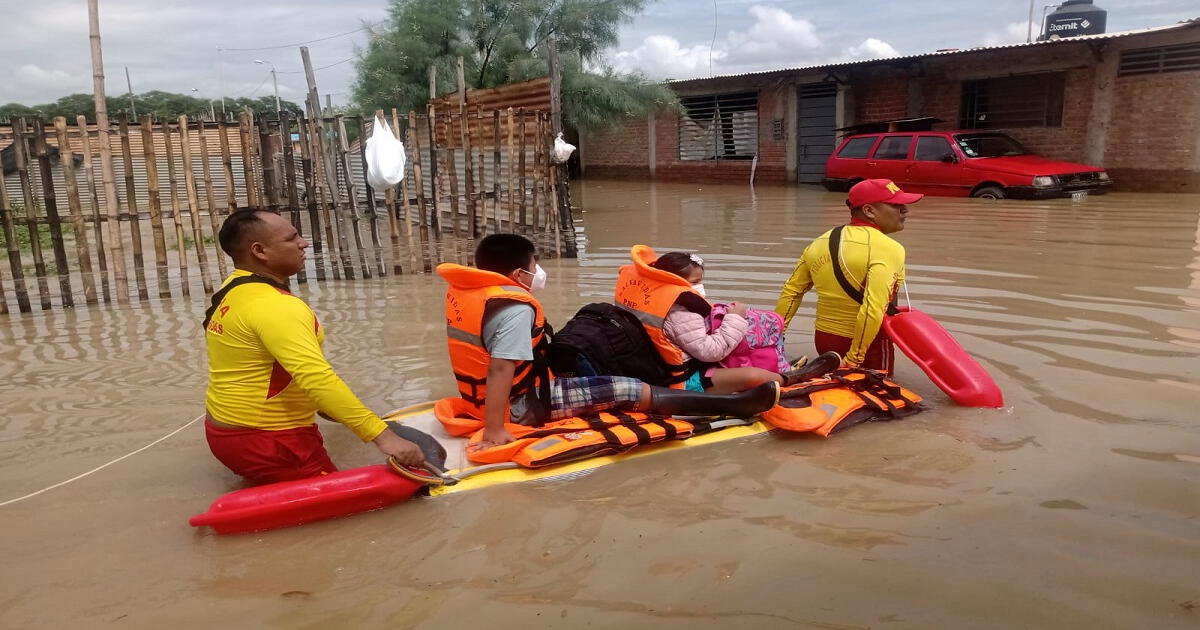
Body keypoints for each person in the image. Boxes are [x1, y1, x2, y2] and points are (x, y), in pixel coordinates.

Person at [438, 234, 781, 447]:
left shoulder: (472, 293)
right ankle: (735, 406)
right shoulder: (513, 308)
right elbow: (500, 369)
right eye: (534, 265)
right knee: (630, 388)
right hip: (522, 406)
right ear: (517, 275)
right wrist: (495, 429)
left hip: (482, 400)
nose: (537, 271)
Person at [204, 209, 431, 485]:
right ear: (260, 251)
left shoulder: (233, 288)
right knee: (357, 513)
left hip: (223, 431)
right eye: (292, 238)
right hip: (269, 440)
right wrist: (385, 437)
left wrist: (332, 410)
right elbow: (316, 378)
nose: (304, 243)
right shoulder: (276, 306)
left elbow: (259, 364)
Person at [774, 178, 923, 372]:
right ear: (869, 211)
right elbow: (873, 307)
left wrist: (774, 339)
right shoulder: (889, 249)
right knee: (881, 398)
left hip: (824, 341)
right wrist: (854, 358)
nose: (905, 210)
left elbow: (791, 292)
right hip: (869, 347)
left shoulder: (819, 242)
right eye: (896, 205)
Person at [646, 251, 840, 393]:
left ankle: (776, 367)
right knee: (752, 376)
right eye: (695, 282)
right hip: (684, 380)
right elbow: (710, 352)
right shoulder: (680, 313)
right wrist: (735, 317)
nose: (699, 287)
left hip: (667, 368)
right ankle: (794, 378)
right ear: (672, 282)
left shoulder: (651, 300)